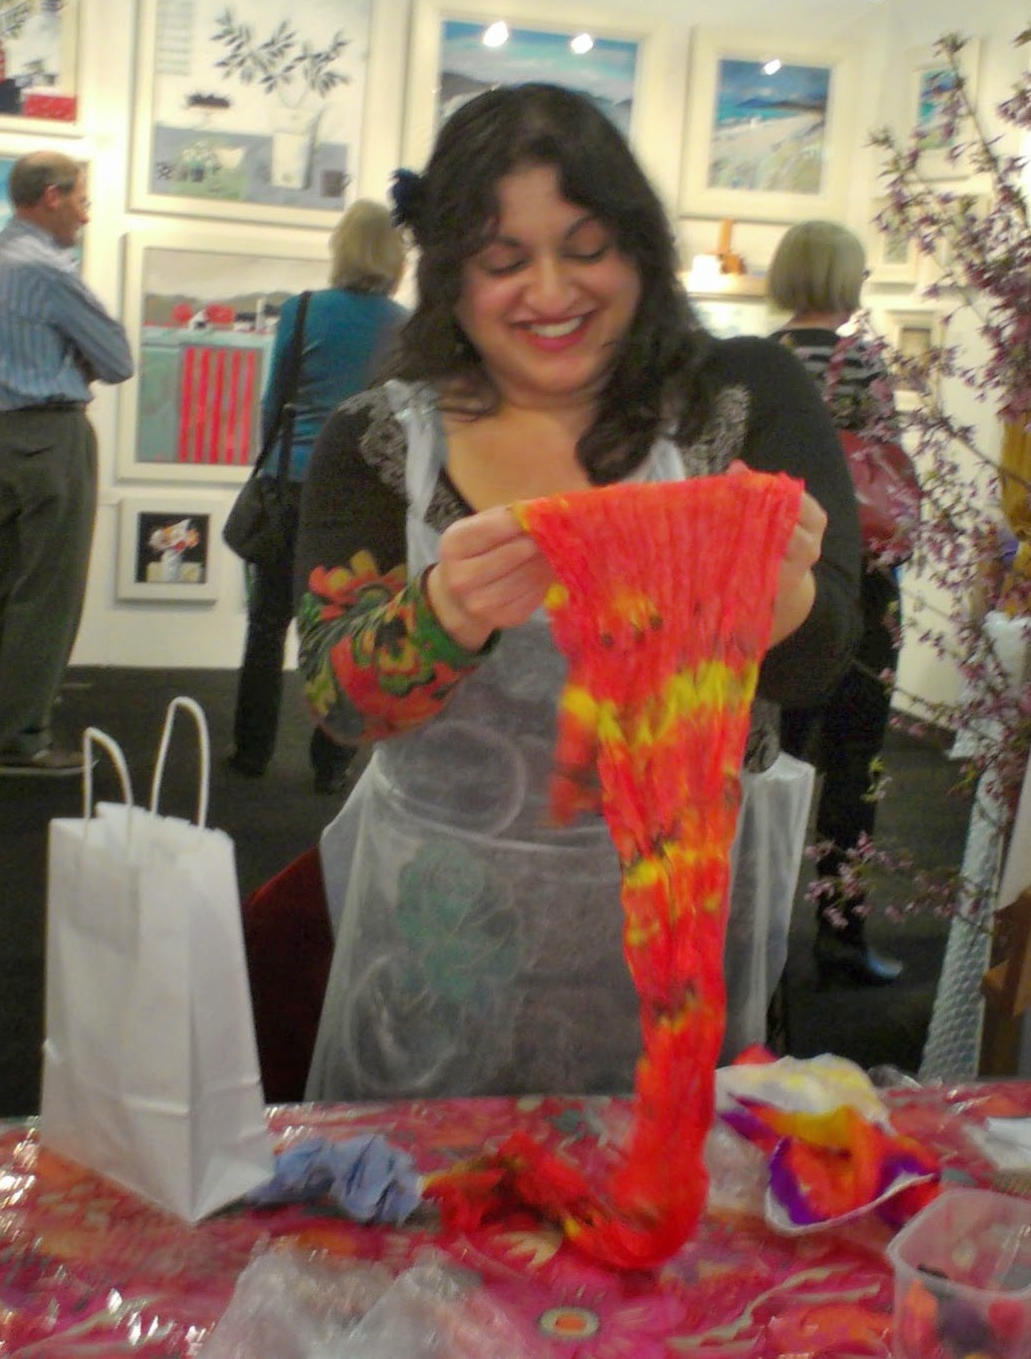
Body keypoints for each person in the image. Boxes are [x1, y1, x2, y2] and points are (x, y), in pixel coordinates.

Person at [293, 84, 861, 1102]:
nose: (549, 291)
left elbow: (821, 664)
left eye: (586, 248)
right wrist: (444, 615)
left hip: (679, 930)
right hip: (441, 937)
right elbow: (340, 703)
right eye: (503, 260)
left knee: (667, 1171)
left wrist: (778, 605)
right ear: (452, 276)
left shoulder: (739, 404)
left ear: (639, 250)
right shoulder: (379, 442)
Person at [0, 151, 134, 777]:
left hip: (0, 430)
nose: (86, 215)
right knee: (49, 593)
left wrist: (69, 352)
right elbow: (117, 358)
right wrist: (75, 356)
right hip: (51, 433)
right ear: (52, 196)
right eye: (82, 200)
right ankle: (22, 740)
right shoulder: (45, 268)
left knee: (5, 584)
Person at [768, 219, 905, 986]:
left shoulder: (763, 361)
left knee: (769, 758)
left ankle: (753, 932)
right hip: (862, 577)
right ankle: (841, 936)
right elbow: (890, 465)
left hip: (779, 578)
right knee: (855, 762)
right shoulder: (865, 364)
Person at [231, 199, 408, 793]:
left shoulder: (303, 310)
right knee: (351, 628)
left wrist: (273, 463)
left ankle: (250, 752)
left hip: (291, 482)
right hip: (363, 495)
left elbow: (274, 402)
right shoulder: (405, 326)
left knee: (266, 624)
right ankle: (331, 764)